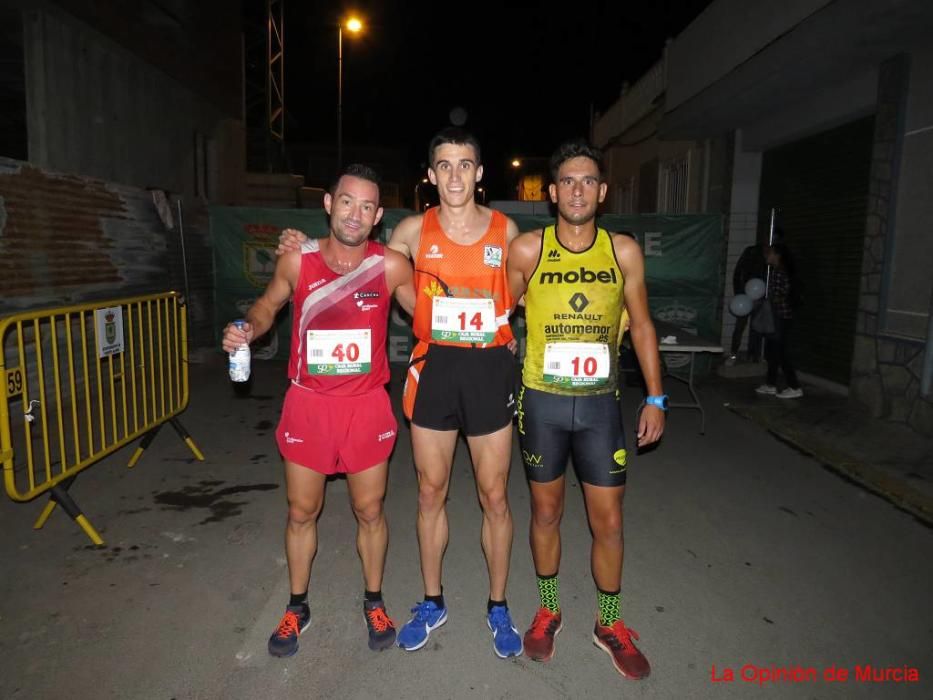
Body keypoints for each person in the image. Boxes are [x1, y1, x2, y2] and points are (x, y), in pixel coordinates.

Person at [277, 128, 524, 659]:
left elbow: (523, 292)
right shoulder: (411, 231)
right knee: (430, 494)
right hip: (433, 370)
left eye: (465, 164)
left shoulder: (508, 233)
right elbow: (354, 257)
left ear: (480, 174)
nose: (454, 175)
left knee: (496, 496)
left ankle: (499, 607)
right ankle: (432, 600)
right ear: (431, 174)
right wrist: (298, 245)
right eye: (444, 165)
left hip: (487, 375)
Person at [222, 164, 414, 658]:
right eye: (347, 201)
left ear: (378, 217)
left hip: (367, 406)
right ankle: (297, 606)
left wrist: (481, 315)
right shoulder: (297, 261)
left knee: (369, 510)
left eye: (367, 206)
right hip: (309, 405)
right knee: (301, 511)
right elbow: (267, 307)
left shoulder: (391, 265)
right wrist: (246, 328)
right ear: (329, 204)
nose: (355, 214)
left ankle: (374, 600)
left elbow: (430, 313)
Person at [506, 139, 665, 679]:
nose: (577, 190)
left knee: (610, 521)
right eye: (567, 181)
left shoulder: (623, 251)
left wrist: (657, 396)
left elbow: (641, 324)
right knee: (546, 513)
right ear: (551, 192)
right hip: (543, 404)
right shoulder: (528, 250)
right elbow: (494, 308)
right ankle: (549, 608)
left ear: (601, 190)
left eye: (588, 181)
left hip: (599, 407)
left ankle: (609, 622)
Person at [755, 242, 802, 399]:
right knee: (773, 352)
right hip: (780, 316)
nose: (767, 255)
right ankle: (771, 384)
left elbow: (783, 294)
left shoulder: (780, 272)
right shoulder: (778, 271)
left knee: (780, 353)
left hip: (780, 316)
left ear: (777, 255)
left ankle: (794, 386)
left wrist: (768, 301)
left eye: (770, 253)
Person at [727, 242, 767, 364]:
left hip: (755, 295)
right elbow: (738, 274)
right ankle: (735, 354)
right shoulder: (753, 253)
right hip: (745, 296)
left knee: (753, 327)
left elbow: (738, 274)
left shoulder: (762, 258)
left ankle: (753, 355)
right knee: (742, 326)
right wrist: (740, 293)